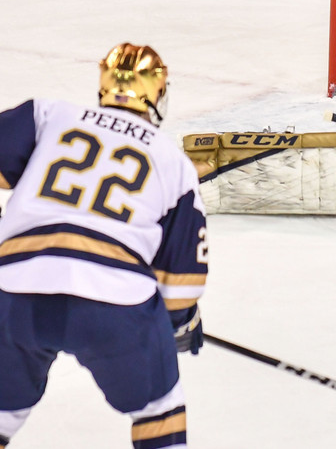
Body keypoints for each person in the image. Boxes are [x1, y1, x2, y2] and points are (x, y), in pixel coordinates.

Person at [0, 43, 208, 449]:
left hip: (16, 290)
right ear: (157, 91)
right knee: (158, 411)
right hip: (114, 305)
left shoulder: (48, 115)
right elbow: (181, 283)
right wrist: (181, 323)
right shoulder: (173, 161)